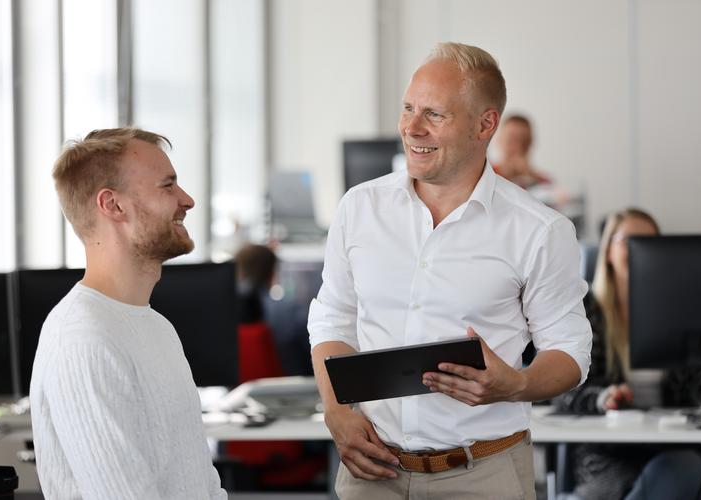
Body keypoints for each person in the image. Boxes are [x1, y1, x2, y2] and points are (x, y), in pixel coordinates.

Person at [308, 42, 592, 499]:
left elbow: (570, 350)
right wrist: (336, 410)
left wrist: (516, 384)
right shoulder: (359, 208)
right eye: (408, 108)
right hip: (372, 471)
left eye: (434, 114)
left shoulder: (539, 230)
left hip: (484, 475)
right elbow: (333, 318)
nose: (411, 127)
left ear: (485, 125)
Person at [29, 128, 227, 500]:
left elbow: (201, 482)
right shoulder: (83, 339)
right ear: (113, 205)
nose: (187, 200)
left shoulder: (157, 326)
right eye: (167, 186)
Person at [555, 207, 701, 500]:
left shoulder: (682, 310)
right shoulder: (586, 311)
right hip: (609, 451)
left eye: (649, 242)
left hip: (675, 445)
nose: (640, 250)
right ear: (607, 251)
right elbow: (562, 385)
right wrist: (603, 398)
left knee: (685, 470)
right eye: (629, 240)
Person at [234, 243, 313, 376]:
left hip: (237, 388)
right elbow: (312, 355)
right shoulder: (291, 311)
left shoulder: (222, 313)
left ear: (238, 273)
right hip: (292, 386)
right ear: (272, 274)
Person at [493, 114, 551, 189]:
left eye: (525, 141)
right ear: (499, 140)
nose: (518, 146)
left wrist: (529, 177)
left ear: (531, 143)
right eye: (511, 139)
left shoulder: (544, 183)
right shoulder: (485, 175)